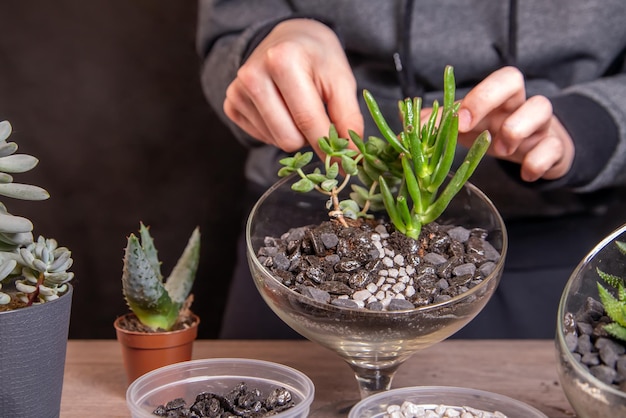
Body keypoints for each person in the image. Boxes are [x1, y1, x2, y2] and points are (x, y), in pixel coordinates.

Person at [196, 0, 626, 339]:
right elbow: (226, 32)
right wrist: (270, 43)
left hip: (549, 249)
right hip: (302, 252)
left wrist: (585, 125)